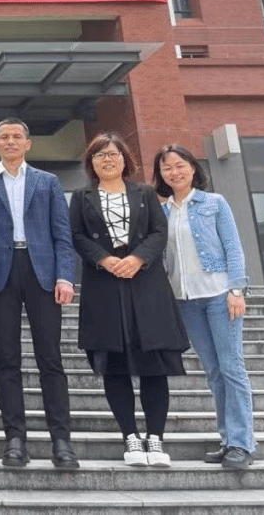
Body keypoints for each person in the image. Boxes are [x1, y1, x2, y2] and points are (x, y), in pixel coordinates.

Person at [68, 132, 188, 468]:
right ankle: (130, 437)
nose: (107, 159)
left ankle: (156, 437)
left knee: (153, 366)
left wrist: (137, 259)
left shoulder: (145, 193)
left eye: (113, 153)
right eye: (99, 155)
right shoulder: (80, 197)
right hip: (104, 284)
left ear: (125, 159)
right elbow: (76, 234)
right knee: (114, 365)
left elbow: (159, 232)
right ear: (91, 163)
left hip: (145, 283)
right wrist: (104, 259)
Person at [0, 118, 79, 469]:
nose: (11, 142)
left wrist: (65, 276)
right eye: (4, 137)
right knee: (7, 359)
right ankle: (15, 439)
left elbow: (62, 234)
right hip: (1, 275)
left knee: (51, 358)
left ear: (27, 143)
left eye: (17, 136)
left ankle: (61, 440)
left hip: (42, 273)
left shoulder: (47, 182)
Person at [154, 144, 254, 470]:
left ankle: (242, 443)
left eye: (180, 165)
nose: (174, 172)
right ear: (161, 175)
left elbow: (233, 247)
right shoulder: (162, 213)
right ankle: (228, 440)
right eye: (167, 168)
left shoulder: (215, 203)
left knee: (231, 368)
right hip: (186, 301)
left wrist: (237, 290)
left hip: (219, 295)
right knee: (213, 371)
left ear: (193, 168)